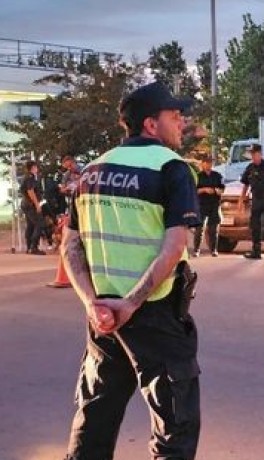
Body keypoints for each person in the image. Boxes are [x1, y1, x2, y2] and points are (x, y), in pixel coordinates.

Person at [60, 81, 202, 459]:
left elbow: (70, 246)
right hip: (152, 313)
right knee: (175, 423)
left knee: (95, 417)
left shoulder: (91, 171)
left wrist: (93, 304)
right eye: (175, 116)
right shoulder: (172, 169)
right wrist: (133, 303)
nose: (182, 123)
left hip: (103, 319)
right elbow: (174, 247)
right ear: (151, 125)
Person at [193, 156, 225, 257]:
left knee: (213, 229)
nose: (208, 165)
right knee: (199, 229)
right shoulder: (198, 176)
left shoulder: (217, 176)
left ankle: (214, 250)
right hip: (201, 204)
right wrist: (204, 190)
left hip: (214, 204)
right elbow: (194, 191)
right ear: (202, 163)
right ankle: (196, 250)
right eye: (206, 163)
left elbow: (222, 190)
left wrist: (215, 190)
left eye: (210, 163)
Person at [19, 160, 45, 255]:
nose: (37, 169)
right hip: (30, 204)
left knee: (30, 225)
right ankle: (34, 247)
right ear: (33, 167)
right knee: (39, 224)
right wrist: (37, 204)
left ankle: (29, 247)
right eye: (36, 167)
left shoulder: (26, 177)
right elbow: (30, 191)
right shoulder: (30, 177)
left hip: (25, 204)